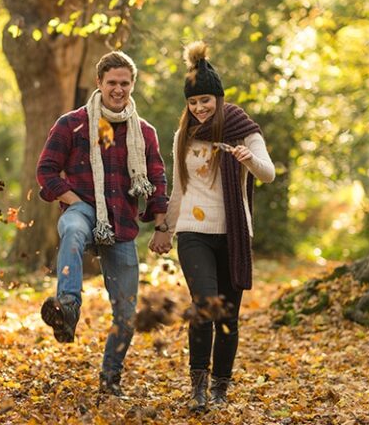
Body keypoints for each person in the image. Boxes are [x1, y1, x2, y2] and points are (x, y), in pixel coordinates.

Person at [36, 50, 171, 396]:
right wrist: (75, 202)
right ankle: (67, 307)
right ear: (99, 83)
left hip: (122, 223)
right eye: (112, 82)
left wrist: (161, 226)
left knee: (126, 314)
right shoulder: (72, 124)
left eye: (124, 83)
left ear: (132, 84)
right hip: (82, 207)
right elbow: (46, 171)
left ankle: (110, 379)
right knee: (72, 229)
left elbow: (156, 179)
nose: (118, 89)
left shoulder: (144, 132)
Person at [161, 41, 275, 412]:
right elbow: (178, 186)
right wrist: (165, 227)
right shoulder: (184, 136)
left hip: (233, 234)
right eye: (193, 103)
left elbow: (269, 173)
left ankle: (220, 390)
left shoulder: (243, 130)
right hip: (194, 233)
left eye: (205, 100)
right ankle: (197, 387)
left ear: (219, 98)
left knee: (227, 316)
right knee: (205, 306)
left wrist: (248, 158)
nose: (199, 108)